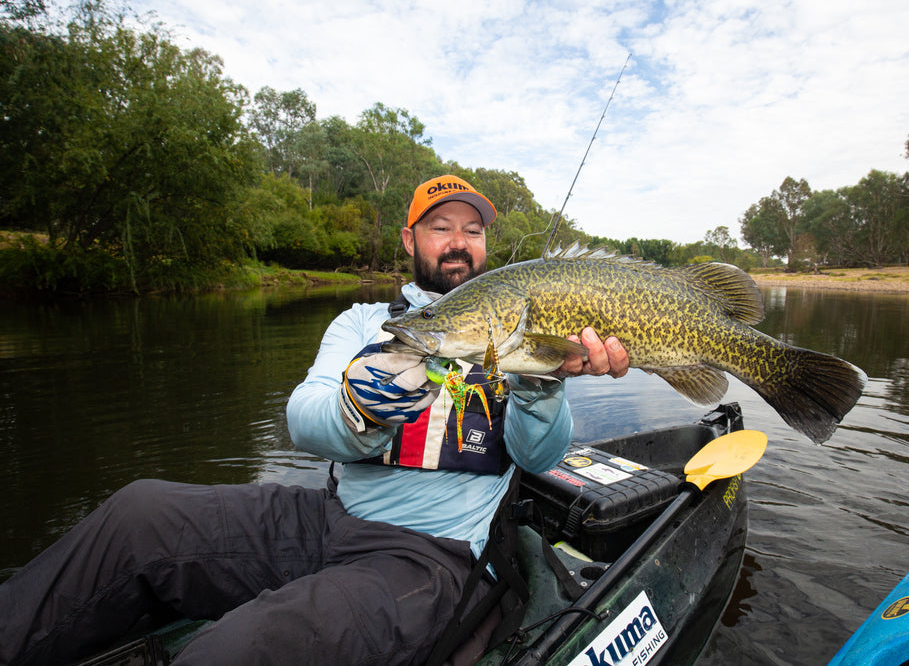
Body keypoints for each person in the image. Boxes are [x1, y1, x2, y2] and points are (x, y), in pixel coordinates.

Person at [0, 174, 628, 665]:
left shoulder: (515, 329)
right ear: (409, 240)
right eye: (440, 227)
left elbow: (539, 457)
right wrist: (358, 409)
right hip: (327, 519)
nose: (458, 242)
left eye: (473, 230)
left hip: (431, 559)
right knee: (139, 515)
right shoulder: (362, 323)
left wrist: (541, 382)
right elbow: (303, 418)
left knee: (243, 650)